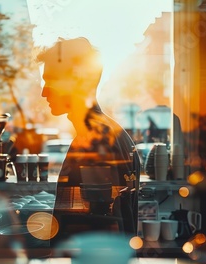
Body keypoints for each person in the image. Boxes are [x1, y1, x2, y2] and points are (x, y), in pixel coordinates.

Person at [36, 37, 140, 242]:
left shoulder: (96, 140)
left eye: (50, 80)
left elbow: (105, 228)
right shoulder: (107, 132)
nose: (44, 91)